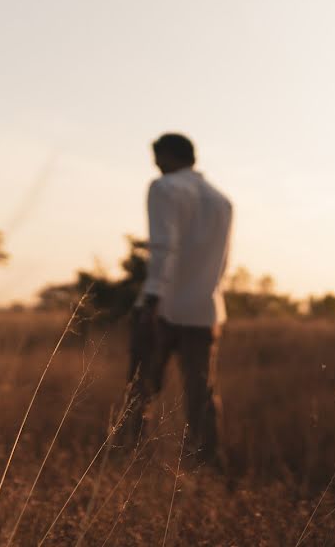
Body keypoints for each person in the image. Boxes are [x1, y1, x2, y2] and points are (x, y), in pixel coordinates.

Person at [122, 133, 233, 467]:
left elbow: (163, 246)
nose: (155, 164)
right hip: (205, 309)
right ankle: (206, 463)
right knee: (201, 393)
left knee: (141, 388)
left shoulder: (164, 187)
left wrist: (153, 298)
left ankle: (131, 458)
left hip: (164, 306)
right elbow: (221, 260)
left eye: (157, 157)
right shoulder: (222, 200)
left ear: (169, 156)